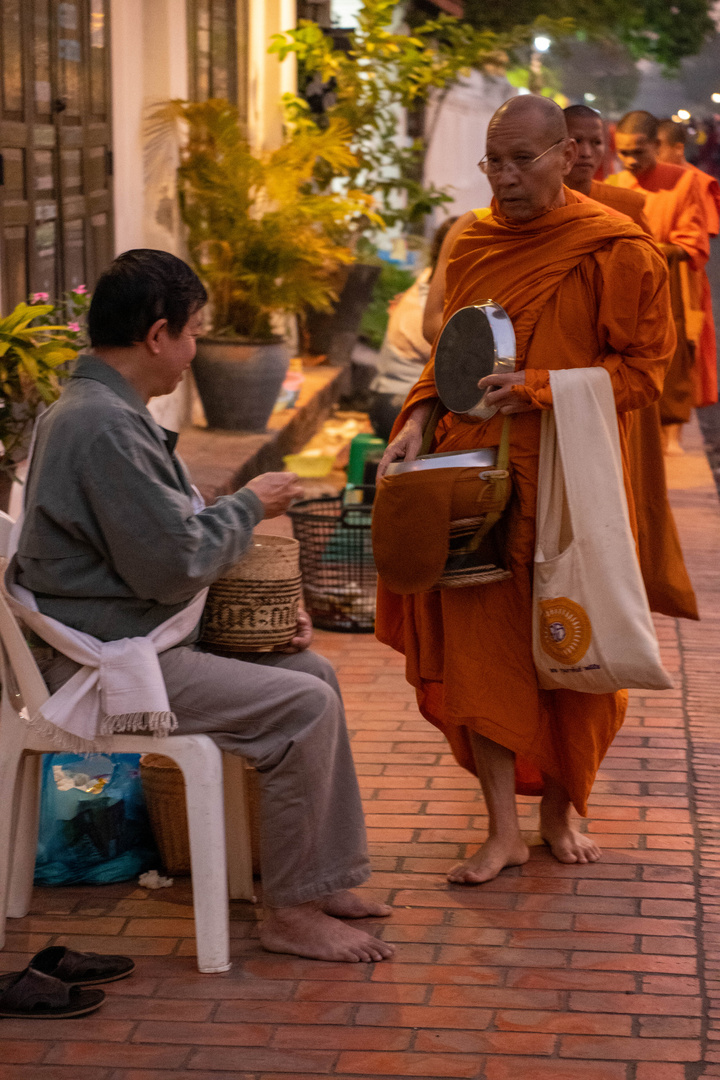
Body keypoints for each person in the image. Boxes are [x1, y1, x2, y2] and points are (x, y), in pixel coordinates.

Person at [15, 249, 394, 965]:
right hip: (99, 660)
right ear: (157, 335)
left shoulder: (102, 409)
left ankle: (320, 877)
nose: (194, 352)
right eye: (192, 333)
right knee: (299, 708)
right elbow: (173, 562)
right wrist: (250, 504)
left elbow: (162, 541)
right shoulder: (99, 424)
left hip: (124, 633)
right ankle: (288, 913)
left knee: (313, 674)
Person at [375, 96, 675, 884]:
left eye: (522, 161)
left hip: (570, 482)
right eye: (492, 162)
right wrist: (413, 420)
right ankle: (503, 826)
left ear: (566, 157)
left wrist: (541, 386)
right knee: (483, 650)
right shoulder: (471, 241)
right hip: (474, 481)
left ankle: (560, 808)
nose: (504, 179)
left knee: (572, 646)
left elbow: (644, 373)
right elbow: (449, 357)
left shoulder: (616, 249)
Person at [563, 104, 698, 622]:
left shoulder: (624, 206)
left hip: (612, 379)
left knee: (618, 500)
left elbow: (645, 305)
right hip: (544, 385)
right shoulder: (514, 217)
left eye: (598, 143)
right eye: (579, 143)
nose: (590, 155)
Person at [607, 110, 709, 455]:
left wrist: (648, 250)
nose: (630, 160)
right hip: (626, 287)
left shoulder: (683, 181)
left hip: (670, 283)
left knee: (674, 356)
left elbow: (692, 242)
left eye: (639, 151)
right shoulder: (614, 185)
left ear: (657, 145)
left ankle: (673, 436)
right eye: (623, 153)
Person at [367, 219, 457, 441]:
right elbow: (453, 361)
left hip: (394, 399)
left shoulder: (428, 280)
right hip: (399, 402)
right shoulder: (427, 306)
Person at [657, 118, 720, 412]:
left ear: (678, 148)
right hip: (652, 276)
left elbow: (699, 237)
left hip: (685, 279)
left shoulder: (696, 181)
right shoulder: (644, 179)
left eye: (658, 147)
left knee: (687, 348)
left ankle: (676, 429)